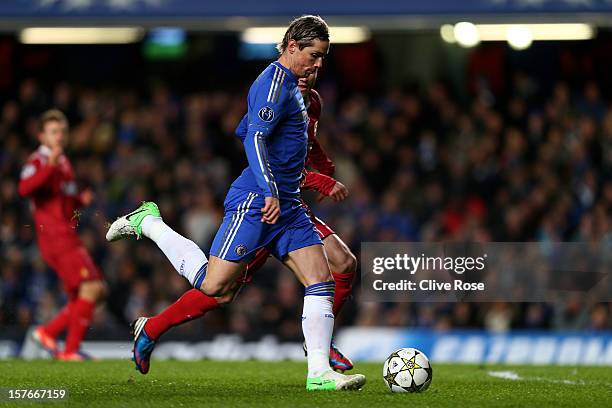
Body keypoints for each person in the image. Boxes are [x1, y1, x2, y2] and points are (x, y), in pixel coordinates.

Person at [107, 15, 365, 391]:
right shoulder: (273, 83)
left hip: (288, 204)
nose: (319, 64)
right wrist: (274, 187)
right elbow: (253, 139)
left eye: (324, 57)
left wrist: (310, 165)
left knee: (322, 278)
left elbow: (250, 129)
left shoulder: (298, 89)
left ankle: (319, 372)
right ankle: (150, 224)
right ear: (292, 46)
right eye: (314, 55)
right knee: (214, 287)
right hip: (257, 202)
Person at [18, 109, 106, 361]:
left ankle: (65, 347)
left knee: (84, 294)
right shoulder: (39, 160)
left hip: (66, 234)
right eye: (54, 131)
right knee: (93, 288)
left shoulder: (64, 162)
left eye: (63, 131)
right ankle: (54, 337)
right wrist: (49, 166)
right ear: (42, 135)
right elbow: (24, 189)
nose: (60, 136)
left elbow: (64, 202)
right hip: (55, 237)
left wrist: (80, 200)